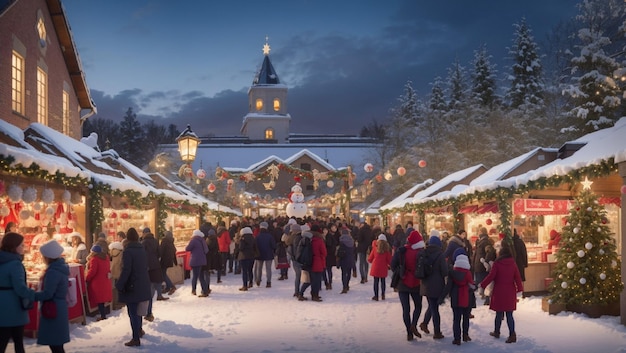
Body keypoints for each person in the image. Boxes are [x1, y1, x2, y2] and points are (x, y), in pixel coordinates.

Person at [0, 232, 38, 353]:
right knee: (18, 341)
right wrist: (35, 295)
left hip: (2, 304)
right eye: (22, 245)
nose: (24, 248)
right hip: (13, 306)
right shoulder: (15, 264)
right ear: (13, 246)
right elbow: (20, 288)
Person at [115, 228, 152, 347]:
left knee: (133, 312)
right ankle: (139, 330)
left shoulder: (128, 251)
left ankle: (135, 338)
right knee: (139, 311)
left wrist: (120, 284)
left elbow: (127, 270)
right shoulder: (142, 249)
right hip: (143, 283)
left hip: (132, 285)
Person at [480, 246, 524, 344]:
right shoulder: (513, 263)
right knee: (509, 315)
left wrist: (482, 284)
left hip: (499, 291)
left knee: (499, 313)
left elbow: (491, 276)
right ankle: (512, 334)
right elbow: (517, 277)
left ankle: (497, 331)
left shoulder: (497, 263)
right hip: (510, 292)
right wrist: (520, 289)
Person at [36, 239, 70, 353]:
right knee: (57, 344)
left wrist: (32, 295)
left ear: (48, 257)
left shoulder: (53, 272)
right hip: (59, 307)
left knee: (55, 345)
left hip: (52, 308)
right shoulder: (60, 268)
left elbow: (48, 293)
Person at [390, 230, 425, 341]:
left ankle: (409, 332)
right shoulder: (421, 252)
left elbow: (392, 264)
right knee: (418, 306)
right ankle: (414, 324)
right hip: (416, 282)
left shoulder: (402, 251)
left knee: (406, 309)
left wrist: (399, 271)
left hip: (403, 282)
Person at [440, 252, 475, 345]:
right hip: (466, 298)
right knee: (466, 318)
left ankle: (457, 339)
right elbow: (472, 286)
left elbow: (448, 287)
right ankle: (465, 335)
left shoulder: (452, 273)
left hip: (455, 298)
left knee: (456, 319)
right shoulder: (468, 273)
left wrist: (442, 297)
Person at [419, 235, 448, 340]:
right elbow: (444, 271)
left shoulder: (424, 253)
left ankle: (424, 323)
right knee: (435, 309)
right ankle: (437, 332)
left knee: (432, 305)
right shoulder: (440, 255)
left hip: (425, 284)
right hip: (437, 285)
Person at [141, 227, 166, 323]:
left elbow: (142, 256)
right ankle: (149, 312)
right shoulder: (155, 241)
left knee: (148, 291)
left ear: (144, 233)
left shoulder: (143, 243)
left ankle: (148, 312)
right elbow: (160, 253)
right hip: (156, 267)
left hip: (147, 269)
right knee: (152, 288)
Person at [85, 244, 112, 321]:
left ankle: (103, 316)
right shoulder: (106, 257)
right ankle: (103, 314)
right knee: (102, 300)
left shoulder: (94, 259)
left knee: (99, 300)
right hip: (105, 281)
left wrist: (86, 279)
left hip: (97, 283)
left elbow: (92, 271)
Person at [473, 227, 495, 305]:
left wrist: (485, 262)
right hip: (480, 265)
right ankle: (485, 297)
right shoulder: (481, 241)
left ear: (481, 232)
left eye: (479, 231)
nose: (478, 233)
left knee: (485, 282)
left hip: (482, 266)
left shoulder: (485, 242)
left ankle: (487, 298)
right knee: (482, 282)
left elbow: (489, 252)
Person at [368, 234, 392, 301]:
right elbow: (390, 260)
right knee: (383, 281)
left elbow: (370, 259)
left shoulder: (375, 249)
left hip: (375, 267)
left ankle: (376, 296)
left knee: (376, 282)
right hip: (383, 268)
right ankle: (383, 294)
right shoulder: (386, 250)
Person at [185, 229, 209, 297]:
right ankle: (205, 291)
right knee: (201, 276)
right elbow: (206, 250)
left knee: (195, 276)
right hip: (202, 261)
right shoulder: (202, 240)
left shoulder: (193, 241)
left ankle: (193, 290)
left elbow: (187, 249)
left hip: (195, 261)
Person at [254, 222, 276, 288]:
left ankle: (258, 280)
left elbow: (255, 245)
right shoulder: (270, 236)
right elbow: (273, 246)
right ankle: (268, 282)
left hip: (259, 254)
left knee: (259, 268)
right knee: (268, 269)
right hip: (268, 254)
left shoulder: (257, 236)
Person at [309, 225, 327, 302]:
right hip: (318, 261)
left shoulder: (308, 239)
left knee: (312, 279)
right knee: (317, 279)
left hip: (309, 261)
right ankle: (315, 295)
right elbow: (324, 252)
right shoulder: (319, 240)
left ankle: (313, 293)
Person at [237, 227, 257, 291]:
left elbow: (240, 248)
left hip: (243, 257)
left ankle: (245, 285)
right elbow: (255, 247)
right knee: (250, 270)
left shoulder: (242, 239)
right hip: (251, 256)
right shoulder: (253, 238)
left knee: (244, 271)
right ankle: (250, 282)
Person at [337, 227, 355, 294]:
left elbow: (340, 251)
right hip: (350, 258)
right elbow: (354, 251)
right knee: (349, 272)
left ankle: (344, 287)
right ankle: (347, 284)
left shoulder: (341, 241)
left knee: (344, 273)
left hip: (343, 259)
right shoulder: (352, 241)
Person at [286, 224, 303, 296]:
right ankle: (300, 291)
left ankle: (297, 291)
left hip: (294, 259)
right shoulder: (300, 238)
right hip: (299, 258)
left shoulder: (290, 238)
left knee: (298, 276)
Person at [159, 231, 177, 295]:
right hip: (169, 260)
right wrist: (175, 261)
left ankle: (171, 286)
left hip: (164, 260)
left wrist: (159, 257)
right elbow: (174, 251)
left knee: (163, 274)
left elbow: (161, 251)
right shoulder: (171, 242)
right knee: (164, 273)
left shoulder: (164, 241)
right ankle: (168, 287)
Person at [108, 240, 124, 310]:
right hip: (119, 272)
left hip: (112, 271)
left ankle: (114, 303)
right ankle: (119, 301)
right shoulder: (121, 253)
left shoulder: (111, 252)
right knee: (119, 287)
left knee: (113, 288)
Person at [322, 224, 338, 290]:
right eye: (324, 230)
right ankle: (326, 283)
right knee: (323, 271)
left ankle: (330, 283)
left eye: (326, 230)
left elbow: (330, 244)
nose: (325, 231)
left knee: (328, 270)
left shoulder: (329, 237)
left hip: (329, 256)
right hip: (324, 256)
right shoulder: (322, 236)